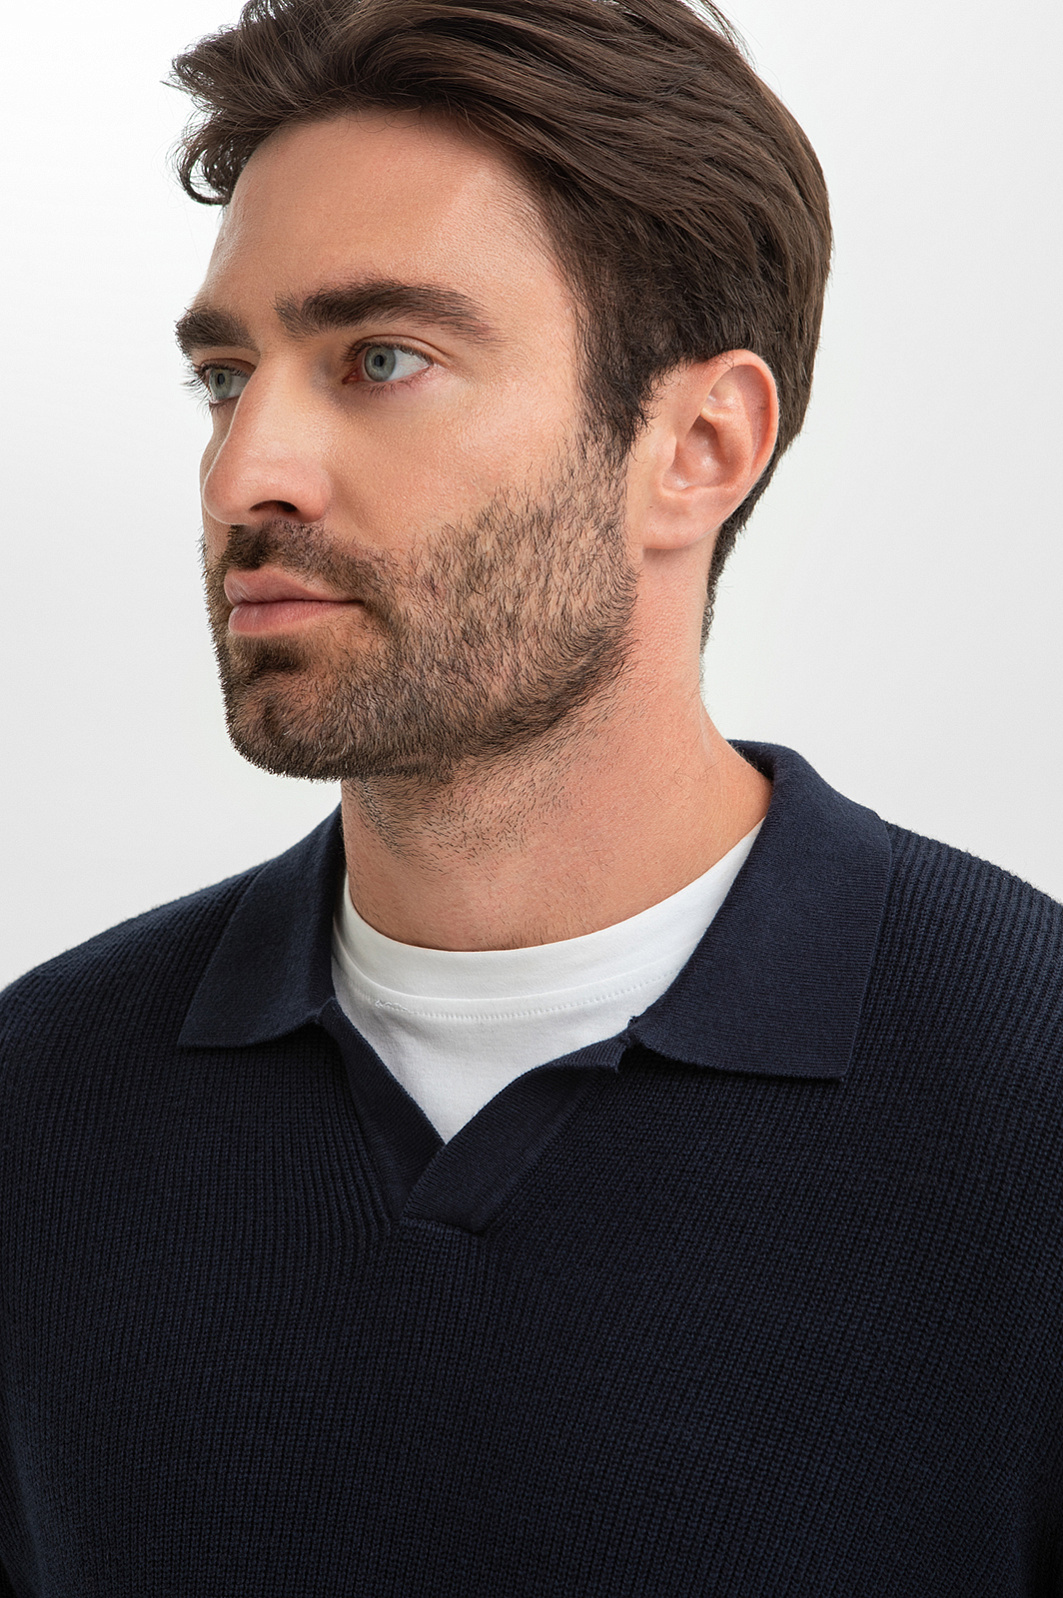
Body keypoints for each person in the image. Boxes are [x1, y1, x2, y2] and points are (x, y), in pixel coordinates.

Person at [1, 0, 1061, 1591]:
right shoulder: (41, 1103)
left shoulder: (1026, 1096)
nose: (242, 473)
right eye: (225, 377)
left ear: (698, 446)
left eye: (382, 359)